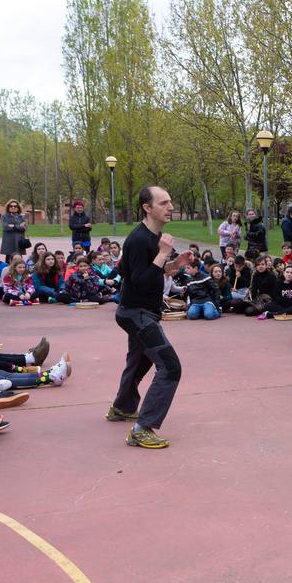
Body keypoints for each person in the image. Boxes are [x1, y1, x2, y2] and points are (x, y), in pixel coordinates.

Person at [108, 186, 191, 449]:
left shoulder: (152, 237)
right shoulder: (139, 240)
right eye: (163, 203)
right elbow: (139, 283)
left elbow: (149, 273)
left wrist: (173, 266)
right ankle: (142, 429)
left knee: (139, 363)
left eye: (171, 202)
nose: (170, 207)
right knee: (170, 366)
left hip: (142, 313)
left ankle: (122, 407)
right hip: (137, 314)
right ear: (147, 207)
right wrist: (164, 253)